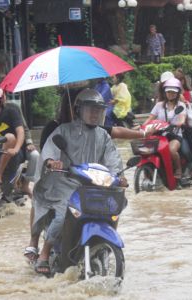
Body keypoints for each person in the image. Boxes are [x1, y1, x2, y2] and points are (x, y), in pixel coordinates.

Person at [31, 88, 125, 276]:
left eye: (98, 110)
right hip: (65, 183)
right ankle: (45, 252)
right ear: (79, 110)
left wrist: (118, 177)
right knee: (61, 214)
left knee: (112, 208)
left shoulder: (103, 135)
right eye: (90, 109)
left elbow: (113, 159)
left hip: (94, 185)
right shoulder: (63, 130)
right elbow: (49, 151)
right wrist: (51, 161)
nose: (94, 113)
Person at [142, 77, 189, 179]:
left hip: (175, 135)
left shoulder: (181, 105)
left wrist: (178, 123)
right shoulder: (159, 105)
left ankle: (178, 169)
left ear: (177, 93)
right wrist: (142, 127)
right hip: (159, 134)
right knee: (146, 150)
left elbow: (182, 118)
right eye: (168, 92)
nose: (170, 94)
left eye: (173, 92)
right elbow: (150, 118)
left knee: (172, 150)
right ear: (165, 93)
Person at [4, 101, 39, 198]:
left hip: (18, 146)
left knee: (35, 155)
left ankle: (25, 185)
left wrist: (29, 142)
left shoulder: (13, 107)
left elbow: (24, 128)